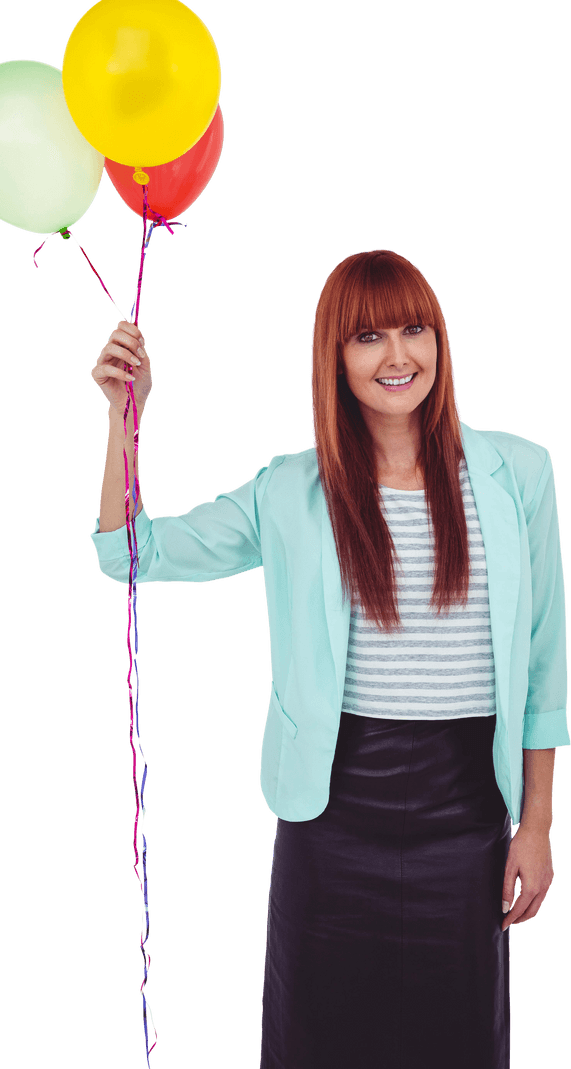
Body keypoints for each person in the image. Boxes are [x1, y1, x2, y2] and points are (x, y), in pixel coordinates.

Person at [89, 249, 569, 1069]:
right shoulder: (290, 489)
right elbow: (128, 554)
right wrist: (123, 419)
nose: (396, 357)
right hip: (331, 813)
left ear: (439, 342)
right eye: (368, 337)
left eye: (414, 330)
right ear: (334, 357)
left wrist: (536, 822)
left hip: (467, 812)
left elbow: (543, 663)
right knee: (317, 1038)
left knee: (458, 1042)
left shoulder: (515, 470)